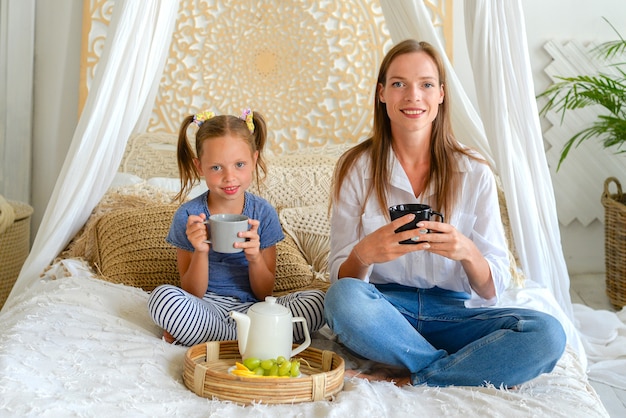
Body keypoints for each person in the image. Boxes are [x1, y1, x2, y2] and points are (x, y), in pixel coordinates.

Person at [324, 40, 566, 388]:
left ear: (440, 94)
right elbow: (341, 279)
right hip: (385, 316)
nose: (413, 96)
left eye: (425, 84)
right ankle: (453, 368)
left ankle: (413, 374)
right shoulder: (355, 169)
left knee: (547, 333)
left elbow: (492, 286)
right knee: (341, 300)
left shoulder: (474, 172)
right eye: (398, 84)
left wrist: (466, 251)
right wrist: (364, 254)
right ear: (381, 93)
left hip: (453, 317)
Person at [148, 109, 325, 347]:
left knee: (318, 301)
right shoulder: (188, 215)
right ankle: (255, 338)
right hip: (206, 308)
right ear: (200, 167)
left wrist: (254, 258)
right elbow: (192, 293)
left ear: (254, 160)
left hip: (256, 309)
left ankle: (214, 338)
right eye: (216, 168)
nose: (229, 177)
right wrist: (200, 251)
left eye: (239, 164)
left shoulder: (263, 213)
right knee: (163, 298)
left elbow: (265, 293)